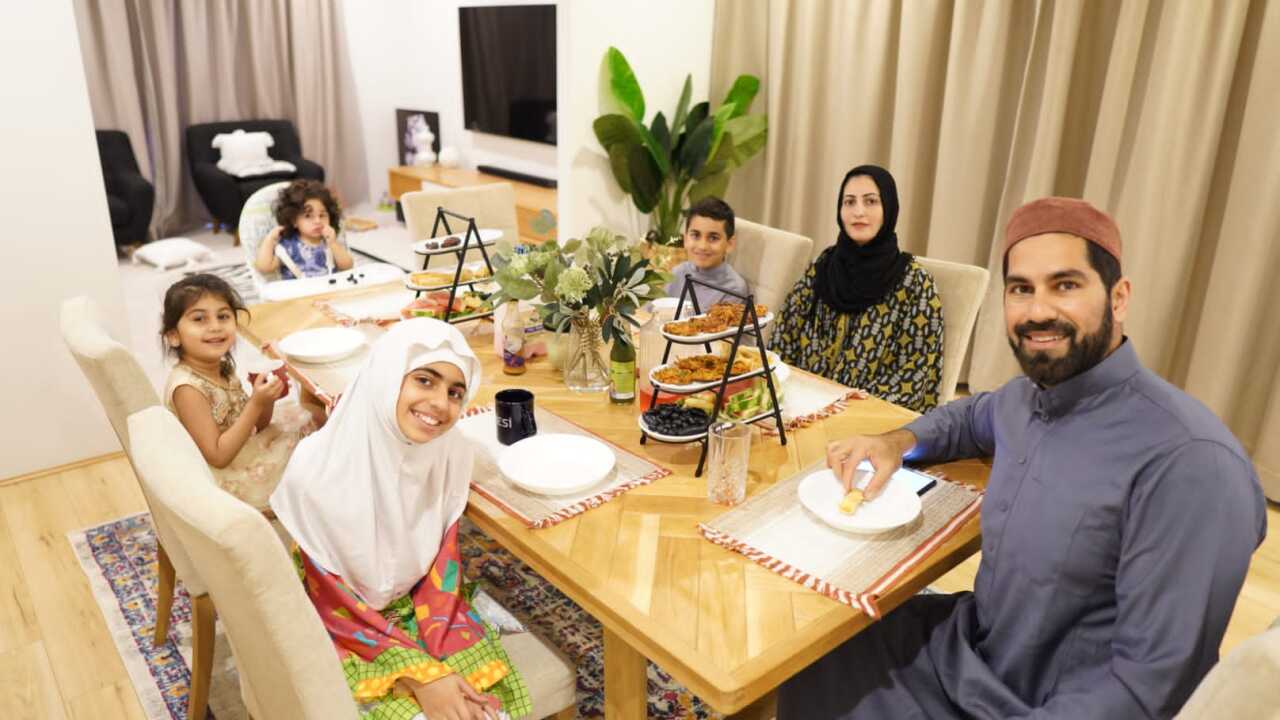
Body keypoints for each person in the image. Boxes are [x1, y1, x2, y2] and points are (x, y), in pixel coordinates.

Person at [779, 197, 1267, 719]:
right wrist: (897, 442)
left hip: (1041, 703)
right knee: (808, 650)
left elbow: (1150, 687)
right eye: (1021, 289)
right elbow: (969, 420)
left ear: (1119, 297)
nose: (1037, 311)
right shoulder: (1028, 397)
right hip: (970, 651)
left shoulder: (1190, 464)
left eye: (1066, 285)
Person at [271, 319, 531, 720]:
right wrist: (421, 676)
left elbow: (441, 566)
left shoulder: (448, 453)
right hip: (338, 619)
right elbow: (329, 600)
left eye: (454, 392)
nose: (441, 404)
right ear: (387, 376)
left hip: (419, 606)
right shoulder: (317, 470)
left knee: (483, 707)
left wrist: (434, 663)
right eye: (425, 381)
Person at [770, 165, 944, 412]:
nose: (858, 212)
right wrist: (792, 394)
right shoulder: (825, 266)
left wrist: (845, 405)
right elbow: (783, 336)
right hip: (804, 406)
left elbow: (913, 377)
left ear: (889, 209)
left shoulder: (915, 283)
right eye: (849, 202)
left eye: (871, 201)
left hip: (870, 421)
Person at [160, 274, 315, 510]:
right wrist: (255, 404)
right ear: (173, 336)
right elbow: (218, 457)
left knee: (311, 416)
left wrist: (266, 399)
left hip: (243, 448)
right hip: (226, 478)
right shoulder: (187, 388)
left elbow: (256, 426)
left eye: (223, 316)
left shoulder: (221, 368)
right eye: (199, 319)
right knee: (311, 451)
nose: (215, 326)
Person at [254, 179, 354, 279]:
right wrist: (269, 240)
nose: (318, 221)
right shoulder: (288, 246)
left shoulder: (330, 241)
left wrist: (333, 243)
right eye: (308, 216)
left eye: (322, 215)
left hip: (330, 291)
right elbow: (264, 267)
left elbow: (347, 266)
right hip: (299, 293)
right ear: (294, 220)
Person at [665, 196, 751, 310]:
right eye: (695, 235)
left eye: (713, 238)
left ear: (730, 244)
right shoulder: (678, 272)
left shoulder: (734, 290)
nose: (702, 246)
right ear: (685, 239)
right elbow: (650, 314)